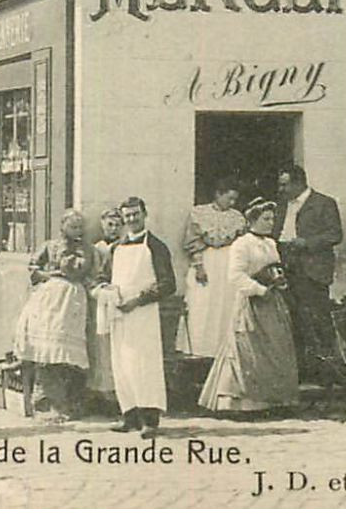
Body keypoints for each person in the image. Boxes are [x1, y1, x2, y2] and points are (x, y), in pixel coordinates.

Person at [200, 198, 299, 415]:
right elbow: (235, 276)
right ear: (253, 220)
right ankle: (241, 403)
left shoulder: (271, 243)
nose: (271, 222)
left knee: (274, 348)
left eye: (272, 218)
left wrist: (279, 282)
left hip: (273, 304)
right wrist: (259, 289)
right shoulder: (241, 244)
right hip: (251, 303)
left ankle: (272, 402)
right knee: (247, 350)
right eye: (266, 218)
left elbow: (276, 269)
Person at [100, 196, 176, 438]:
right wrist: (107, 292)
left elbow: (168, 284)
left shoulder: (156, 246)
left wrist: (138, 300)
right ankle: (129, 416)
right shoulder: (116, 248)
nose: (131, 219)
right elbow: (102, 277)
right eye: (127, 216)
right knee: (122, 364)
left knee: (144, 365)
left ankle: (150, 420)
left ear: (144, 214)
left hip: (144, 313)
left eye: (135, 214)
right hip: (120, 314)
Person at [12, 210, 92, 420]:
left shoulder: (85, 248)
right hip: (49, 298)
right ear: (62, 225)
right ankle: (45, 402)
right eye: (73, 226)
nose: (77, 230)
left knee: (67, 352)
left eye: (79, 227)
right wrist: (47, 275)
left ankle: (66, 403)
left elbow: (80, 270)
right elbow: (33, 267)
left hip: (72, 297)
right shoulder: (50, 245)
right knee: (46, 349)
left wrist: (71, 258)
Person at [274, 164, 344, 379]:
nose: (281, 189)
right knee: (292, 320)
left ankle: (324, 373)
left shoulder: (324, 203)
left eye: (285, 184)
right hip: (287, 267)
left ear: (298, 183)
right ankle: (298, 371)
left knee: (316, 320)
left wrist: (308, 243)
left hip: (312, 270)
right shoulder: (281, 205)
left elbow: (335, 234)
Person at [181, 180, 248, 359]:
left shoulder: (237, 217)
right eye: (229, 198)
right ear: (218, 194)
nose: (232, 203)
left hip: (228, 262)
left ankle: (224, 349)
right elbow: (192, 243)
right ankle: (201, 349)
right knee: (203, 303)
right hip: (208, 260)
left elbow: (241, 244)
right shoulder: (199, 213)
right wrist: (199, 266)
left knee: (226, 302)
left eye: (235, 199)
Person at [87, 207, 123, 404]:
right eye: (110, 224)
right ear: (102, 225)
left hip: (118, 298)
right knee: (100, 345)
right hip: (100, 299)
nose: (114, 228)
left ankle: (117, 391)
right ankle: (101, 390)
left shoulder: (125, 246)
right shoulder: (97, 248)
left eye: (118, 225)